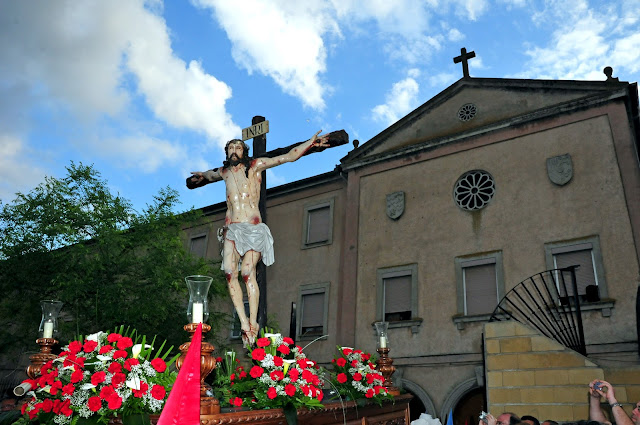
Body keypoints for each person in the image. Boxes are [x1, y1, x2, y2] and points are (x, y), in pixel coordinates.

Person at [190, 131, 330, 346]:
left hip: (253, 228)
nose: (234, 151)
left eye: (238, 148)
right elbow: (208, 176)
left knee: (247, 272)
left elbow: (288, 156)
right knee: (229, 272)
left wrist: (309, 143)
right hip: (232, 229)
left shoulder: (256, 165)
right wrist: (200, 176)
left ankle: (253, 322)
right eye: (230, 148)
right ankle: (244, 323)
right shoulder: (224, 172)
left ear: (244, 152)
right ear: (227, 152)